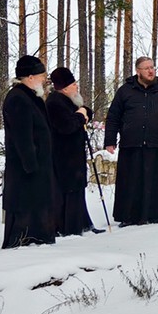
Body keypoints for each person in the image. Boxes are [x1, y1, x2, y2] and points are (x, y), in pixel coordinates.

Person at [104, 56, 158, 225]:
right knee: (130, 181)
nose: (151, 70)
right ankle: (128, 216)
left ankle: (153, 215)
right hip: (131, 143)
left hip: (156, 143)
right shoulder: (125, 90)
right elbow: (113, 117)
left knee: (153, 181)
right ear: (138, 71)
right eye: (146, 68)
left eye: (152, 67)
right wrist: (110, 140)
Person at [2, 55, 58, 248]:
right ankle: (25, 243)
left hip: (37, 167)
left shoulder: (30, 96)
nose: (45, 79)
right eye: (42, 75)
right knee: (24, 213)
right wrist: (31, 165)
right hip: (26, 170)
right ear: (30, 76)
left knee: (38, 210)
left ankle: (38, 240)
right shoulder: (18, 98)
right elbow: (22, 136)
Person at [46, 66, 104, 236]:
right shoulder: (54, 103)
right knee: (68, 192)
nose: (76, 86)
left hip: (73, 155)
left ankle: (82, 223)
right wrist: (80, 115)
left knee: (77, 190)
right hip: (63, 156)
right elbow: (66, 126)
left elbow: (85, 111)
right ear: (64, 87)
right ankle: (68, 227)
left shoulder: (67, 100)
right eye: (73, 84)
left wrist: (84, 112)